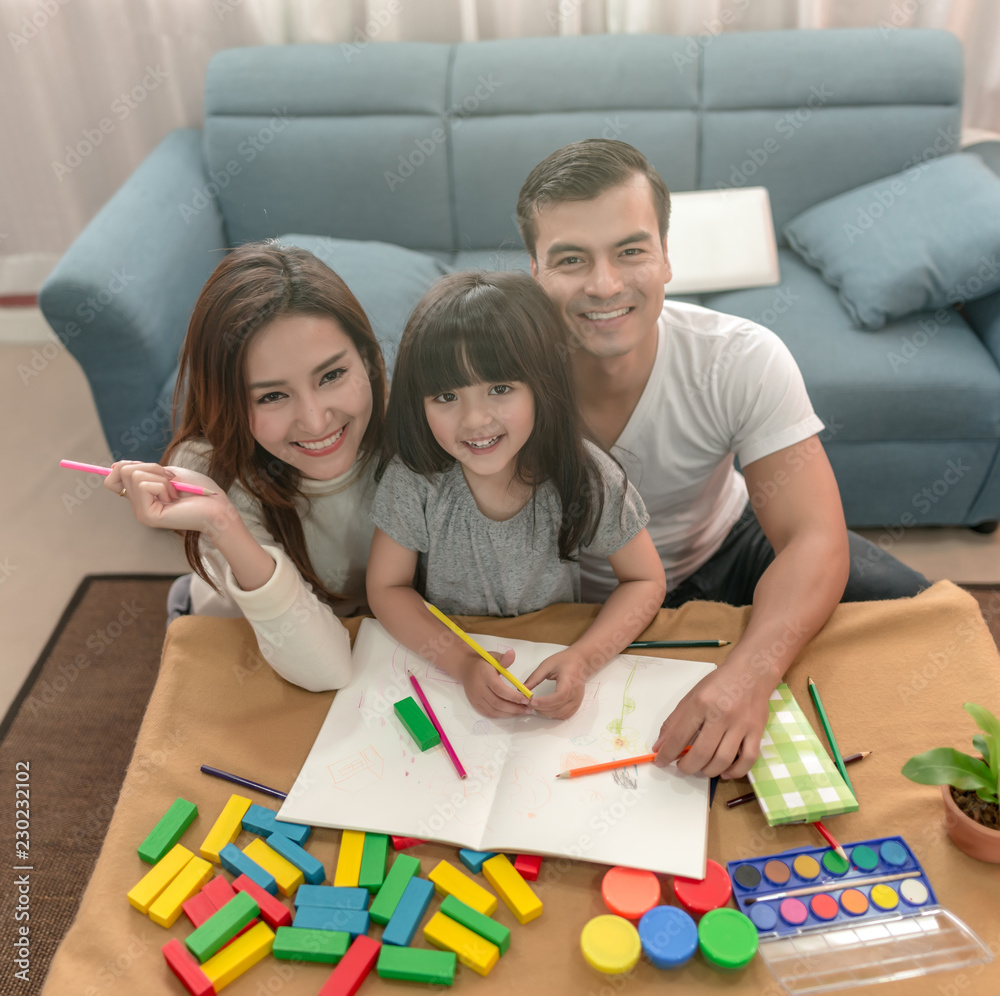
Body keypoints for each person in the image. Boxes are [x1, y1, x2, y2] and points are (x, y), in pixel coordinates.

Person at [517, 139, 929, 778]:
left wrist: (752, 674)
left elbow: (812, 536)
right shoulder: (491, 381)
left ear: (666, 259)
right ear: (534, 271)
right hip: (576, 587)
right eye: (571, 259)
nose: (605, 285)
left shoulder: (740, 357)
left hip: (721, 547)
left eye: (631, 251)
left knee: (916, 613)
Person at [365, 270, 667, 719]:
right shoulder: (416, 478)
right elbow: (386, 588)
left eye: (500, 389)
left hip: (549, 655)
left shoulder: (582, 474)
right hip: (449, 665)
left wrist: (583, 659)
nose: (474, 420)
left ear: (543, 387)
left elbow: (646, 580)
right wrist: (464, 664)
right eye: (446, 396)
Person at [104, 242, 387, 692]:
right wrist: (222, 522)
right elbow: (327, 670)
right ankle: (187, 595)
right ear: (231, 401)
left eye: (331, 375)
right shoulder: (212, 471)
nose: (315, 420)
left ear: (371, 362)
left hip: (355, 624)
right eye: (272, 396)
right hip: (246, 628)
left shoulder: (415, 431)